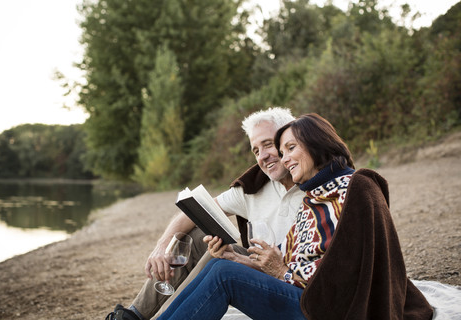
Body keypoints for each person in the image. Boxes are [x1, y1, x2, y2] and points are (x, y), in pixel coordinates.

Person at [156, 113, 433, 320]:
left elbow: (345, 272)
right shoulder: (314, 197)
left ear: (315, 144)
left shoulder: (353, 187)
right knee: (221, 266)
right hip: (306, 296)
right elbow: (290, 259)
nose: (283, 157)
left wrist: (281, 272)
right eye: (282, 150)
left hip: (327, 309)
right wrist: (238, 258)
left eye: (291, 148)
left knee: (225, 276)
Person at [106, 107, 306, 320]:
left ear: (289, 140)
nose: (263, 156)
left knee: (222, 264)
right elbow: (194, 213)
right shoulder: (254, 187)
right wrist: (162, 246)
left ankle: (175, 312)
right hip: (258, 265)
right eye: (256, 150)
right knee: (200, 238)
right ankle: (132, 316)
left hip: (287, 279)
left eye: (268, 144)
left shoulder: (316, 186)